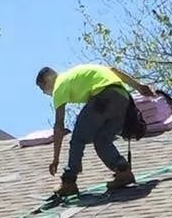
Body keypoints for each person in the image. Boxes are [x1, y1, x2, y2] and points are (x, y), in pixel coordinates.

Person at [36, 63, 155, 197]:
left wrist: (55, 159)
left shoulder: (59, 86)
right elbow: (113, 70)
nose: (45, 93)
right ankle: (123, 172)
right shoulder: (74, 74)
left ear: (48, 80)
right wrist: (138, 86)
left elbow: (59, 126)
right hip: (123, 98)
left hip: (104, 97)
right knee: (102, 139)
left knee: (78, 138)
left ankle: (69, 181)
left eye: (43, 89)